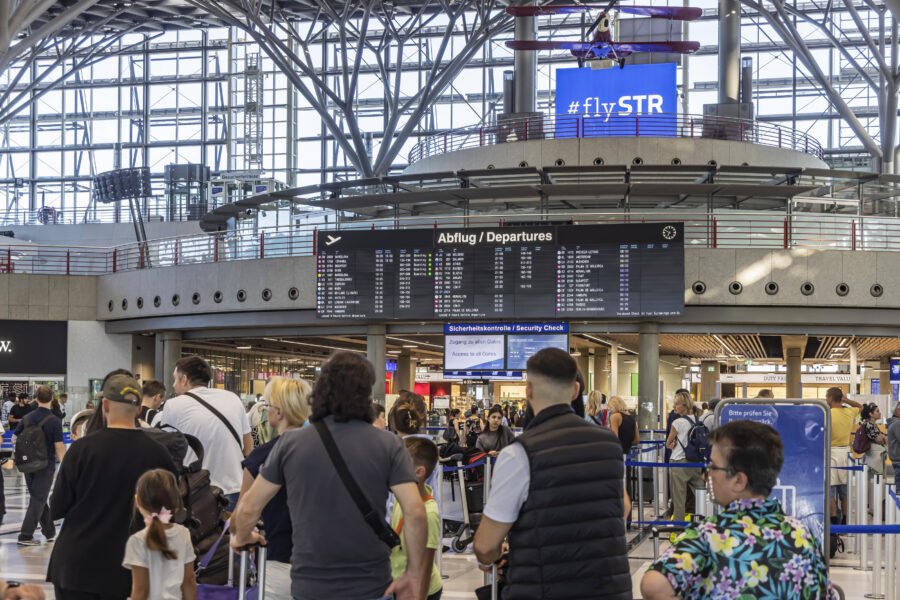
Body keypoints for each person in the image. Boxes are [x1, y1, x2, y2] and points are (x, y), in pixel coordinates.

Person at [231, 351, 426, 600]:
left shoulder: (291, 444)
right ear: (367, 394)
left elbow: (248, 508)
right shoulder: (389, 444)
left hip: (310, 584)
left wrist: (243, 536)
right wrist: (413, 573)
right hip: (371, 584)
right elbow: (416, 513)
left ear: (321, 391)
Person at [473, 348, 632, 600]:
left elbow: (484, 545)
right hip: (608, 588)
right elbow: (622, 508)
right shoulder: (609, 444)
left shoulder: (518, 453)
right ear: (576, 391)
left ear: (529, 391)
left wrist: (495, 557)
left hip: (542, 588)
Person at [641, 420, 835, 600]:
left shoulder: (709, 535)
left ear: (739, 480)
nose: (705, 475)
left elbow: (653, 585)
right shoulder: (800, 533)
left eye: (713, 467)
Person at [48, 374, 177, 600]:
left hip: (77, 565)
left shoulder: (81, 450)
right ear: (138, 410)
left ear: (105, 405)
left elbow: (57, 508)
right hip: (131, 568)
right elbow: (169, 512)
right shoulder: (159, 453)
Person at [238, 377, 311, 600]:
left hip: (279, 561)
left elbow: (244, 512)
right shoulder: (330, 452)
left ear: (279, 412)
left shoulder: (263, 456)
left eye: (267, 406)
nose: (265, 411)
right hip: (324, 564)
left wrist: (240, 535)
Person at [151, 355, 252, 511]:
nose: (173, 385)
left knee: (198, 535)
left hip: (198, 491)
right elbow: (248, 448)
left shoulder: (174, 405)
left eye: (175, 380)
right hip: (236, 489)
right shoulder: (232, 398)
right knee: (231, 535)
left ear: (184, 379)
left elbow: (166, 452)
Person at [123, 469, 196, 600]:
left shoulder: (137, 541)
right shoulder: (183, 534)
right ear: (176, 501)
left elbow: (141, 589)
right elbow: (189, 580)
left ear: (137, 501)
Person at [391, 437, 443, 600]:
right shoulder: (403, 498)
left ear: (418, 472)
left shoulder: (429, 513)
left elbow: (425, 567)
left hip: (422, 591)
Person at [15, 385, 65, 546]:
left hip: (27, 464)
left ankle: (49, 532)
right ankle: (25, 535)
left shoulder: (27, 418)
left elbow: (14, 438)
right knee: (38, 498)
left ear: (36, 399)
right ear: (52, 399)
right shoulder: (55, 421)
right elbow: (58, 446)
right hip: (45, 465)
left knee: (39, 497)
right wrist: (65, 464)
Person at [665, 390, 706, 523]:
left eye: (677, 404)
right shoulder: (697, 419)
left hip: (679, 463)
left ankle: (678, 529)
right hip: (695, 462)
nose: (674, 407)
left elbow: (668, 443)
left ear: (684, 405)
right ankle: (706, 523)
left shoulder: (677, 422)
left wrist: (671, 444)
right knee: (701, 495)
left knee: (679, 499)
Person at [827, 387, 862, 526]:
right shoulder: (849, 412)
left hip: (831, 452)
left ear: (830, 398)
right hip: (846, 454)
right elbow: (860, 406)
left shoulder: (827, 413)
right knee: (844, 490)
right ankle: (845, 521)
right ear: (840, 398)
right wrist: (846, 400)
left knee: (830, 489)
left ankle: (834, 520)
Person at [860, 403, 888, 474]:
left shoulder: (872, 425)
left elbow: (882, 437)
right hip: (874, 456)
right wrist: (883, 438)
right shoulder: (869, 425)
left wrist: (883, 437)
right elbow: (879, 440)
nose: (880, 413)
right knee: (875, 479)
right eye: (877, 411)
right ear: (870, 414)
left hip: (876, 455)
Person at [889, 415, 900, 492]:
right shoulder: (897, 423)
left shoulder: (894, 423)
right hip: (898, 459)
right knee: (899, 488)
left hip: (896, 458)